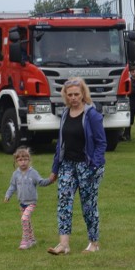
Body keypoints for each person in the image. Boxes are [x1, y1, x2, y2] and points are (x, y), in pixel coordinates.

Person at [46, 77, 107, 255]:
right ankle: (64, 244)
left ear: (83, 94)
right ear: (65, 95)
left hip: (87, 166)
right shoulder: (64, 114)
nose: (73, 98)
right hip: (67, 165)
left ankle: (93, 243)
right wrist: (55, 168)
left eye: (76, 94)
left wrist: (94, 166)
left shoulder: (92, 115)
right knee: (64, 201)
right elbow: (61, 143)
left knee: (88, 204)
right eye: (70, 94)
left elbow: (101, 143)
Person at [4, 146, 52, 250]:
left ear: (29, 160)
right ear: (16, 161)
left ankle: (25, 240)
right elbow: (12, 186)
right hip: (22, 202)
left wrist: (51, 179)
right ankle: (32, 240)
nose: (23, 162)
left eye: (25, 159)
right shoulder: (15, 174)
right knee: (27, 221)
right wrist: (8, 195)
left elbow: (41, 182)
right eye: (20, 160)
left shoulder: (33, 172)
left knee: (24, 219)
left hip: (31, 202)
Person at [122, 64, 135, 142]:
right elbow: (130, 92)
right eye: (133, 72)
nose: (134, 73)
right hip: (132, 103)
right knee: (130, 121)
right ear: (130, 73)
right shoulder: (129, 82)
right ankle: (127, 135)